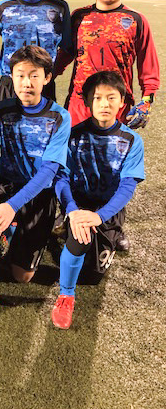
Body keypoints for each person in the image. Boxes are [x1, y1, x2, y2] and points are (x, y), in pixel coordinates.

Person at [0, 46, 71, 321]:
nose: (26, 82)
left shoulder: (60, 116)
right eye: (20, 75)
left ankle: (18, 229)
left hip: (39, 193)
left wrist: (11, 207)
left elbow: (49, 171)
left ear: (47, 78)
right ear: (11, 77)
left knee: (22, 276)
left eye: (34, 75)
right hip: (6, 187)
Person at [51, 71, 144, 330]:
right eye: (97, 98)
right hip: (78, 206)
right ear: (87, 103)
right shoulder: (73, 135)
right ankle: (66, 295)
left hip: (107, 210)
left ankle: (111, 231)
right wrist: (72, 210)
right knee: (80, 237)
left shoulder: (132, 140)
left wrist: (100, 216)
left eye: (111, 97)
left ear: (122, 101)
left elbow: (127, 186)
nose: (104, 104)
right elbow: (61, 178)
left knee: (92, 275)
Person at [55, 0, 159, 129]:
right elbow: (64, 56)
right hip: (80, 105)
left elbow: (148, 66)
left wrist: (147, 100)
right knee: (75, 147)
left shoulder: (136, 20)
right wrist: (44, 76)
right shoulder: (78, 17)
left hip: (117, 105)